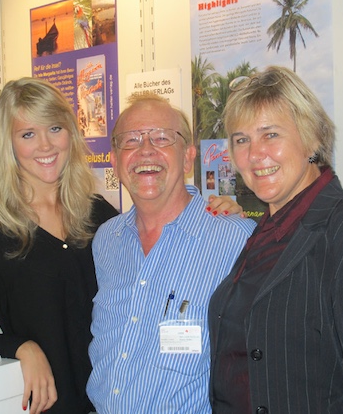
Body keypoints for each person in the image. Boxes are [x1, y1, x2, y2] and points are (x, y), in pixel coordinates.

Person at [0, 78, 240, 414]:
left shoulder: (101, 219)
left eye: (54, 128)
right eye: (27, 134)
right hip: (50, 406)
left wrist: (217, 212)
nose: (46, 146)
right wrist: (21, 347)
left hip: (109, 402)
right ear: (8, 145)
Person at [208, 65, 343, 413]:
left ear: (312, 138)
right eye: (242, 139)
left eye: (270, 134)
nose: (255, 154)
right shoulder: (266, 230)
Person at [87, 93, 257, 413]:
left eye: (163, 138)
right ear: (114, 159)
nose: (146, 149)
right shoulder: (106, 240)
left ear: (188, 157)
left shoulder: (233, 240)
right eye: (131, 139)